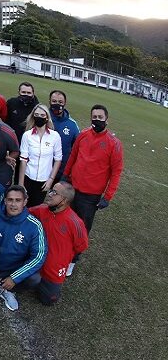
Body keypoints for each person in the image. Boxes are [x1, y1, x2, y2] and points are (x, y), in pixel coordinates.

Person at [62, 104, 123, 268]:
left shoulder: (113, 143)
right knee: (66, 220)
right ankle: (63, 250)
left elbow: (116, 172)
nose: (97, 121)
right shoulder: (83, 135)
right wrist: (65, 176)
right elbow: (73, 156)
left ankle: (73, 259)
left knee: (82, 227)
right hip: (73, 189)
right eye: (94, 117)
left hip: (91, 196)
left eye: (100, 118)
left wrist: (108, 197)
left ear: (107, 120)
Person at [29, 182, 88, 305]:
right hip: (34, 261)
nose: (49, 194)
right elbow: (23, 213)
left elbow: (81, 246)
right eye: (51, 190)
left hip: (53, 271)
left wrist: (61, 257)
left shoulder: (75, 223)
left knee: (48, 300)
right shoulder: (42, 209)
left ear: (64, 200)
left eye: (54, 193)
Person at [18, 104, 62, 207]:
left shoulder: (55, 136)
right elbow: (23, 160)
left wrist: (50, 180)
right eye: (36, 114)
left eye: (42, 115)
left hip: (44, 180)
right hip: (28, 177)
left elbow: (58, 159)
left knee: (36, 207)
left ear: (47, 117)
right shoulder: (27, 135)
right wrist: (21, 183)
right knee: (23, 205)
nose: (39, 117)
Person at [48, 90, 80, 181]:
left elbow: (78, 147)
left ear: (65, 103)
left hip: (62, 171)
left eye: (60, 102)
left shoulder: (72, 124)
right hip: (42, 169)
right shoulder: (43, 119)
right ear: (49, 101)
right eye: (54, 101)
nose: (57, 104)